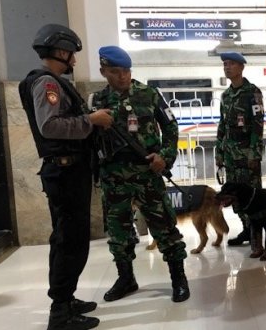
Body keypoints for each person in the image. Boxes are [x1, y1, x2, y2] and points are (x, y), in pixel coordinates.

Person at [19, 24, 113, 330]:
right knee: (68, 240)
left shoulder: (53, 82)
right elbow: (51, 127)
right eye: (71, 54)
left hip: (70, 169)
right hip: (64, 170)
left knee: (71, 239)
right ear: (60, 51)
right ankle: (60, 312)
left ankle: (66, 298)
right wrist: (91, 120)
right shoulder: (47, 83)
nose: (73, 60)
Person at [90, 45, 190, 303]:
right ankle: (126, 278)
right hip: (114, 177)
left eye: (126, 71)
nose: (122, 76)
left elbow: (170, 127)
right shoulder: (97, 102)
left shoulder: (149, 95)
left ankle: (178, 278)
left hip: (147, 173)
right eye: (115, 71)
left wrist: (164, 157)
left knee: (164, 227)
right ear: (103, 71)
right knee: (118, 232)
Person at [215, 52, 264, 255]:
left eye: (231, 64)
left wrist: (254, 153)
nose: (227, 67)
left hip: (247, 157)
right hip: (230, 158)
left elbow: (258, 124)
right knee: (236, 200)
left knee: (253, 198)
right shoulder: (226, 96)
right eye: (225, 64)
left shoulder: (252, 92)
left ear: (241, 67)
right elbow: (222, 126)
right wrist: (219, 153)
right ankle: (246, 231)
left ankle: (257, 240)